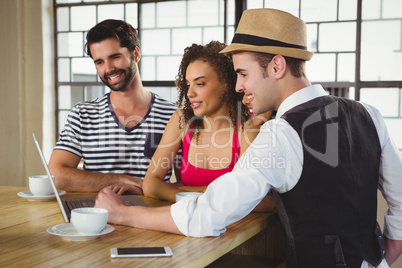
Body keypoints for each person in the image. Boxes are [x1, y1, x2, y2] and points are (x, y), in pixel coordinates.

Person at [94, 9, 402, 267]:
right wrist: (383, 258)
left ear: (277, 65)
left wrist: (121, 213)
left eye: (243, 73)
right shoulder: (369, 113)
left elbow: (206, 217)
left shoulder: (279, 134)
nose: (239, 86)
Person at [109, 41, 275, 212]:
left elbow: (249, 198)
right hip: (190, 222)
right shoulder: (181, 120)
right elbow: (151, 184)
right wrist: (199, 196)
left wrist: (181, 191)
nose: (190, 93)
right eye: (188, 85)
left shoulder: (248, 129)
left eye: (200, 84)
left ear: (227, 84)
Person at [48, 19, 178, 193]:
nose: (108, 69)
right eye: (99, 62)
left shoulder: (173, 115)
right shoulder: (82, 115)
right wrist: (125, 180)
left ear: (136, 54)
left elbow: (185, 184)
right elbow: (57, 176)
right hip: (97, 217)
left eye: (115, 57)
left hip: (153, 215)